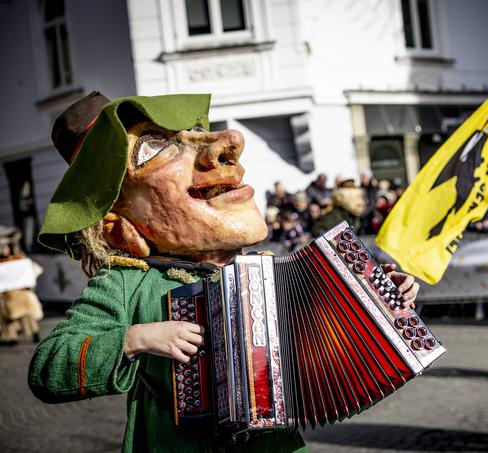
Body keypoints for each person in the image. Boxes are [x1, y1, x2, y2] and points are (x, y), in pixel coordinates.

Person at [27, 92, 422, 452]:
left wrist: (382, 296)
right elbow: (48, 367)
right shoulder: (126, 281)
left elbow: (324, 333)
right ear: (119, 225)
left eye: (193, 132)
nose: (228, 143)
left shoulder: (261, 273)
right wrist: (135, 338)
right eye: (155, 148)